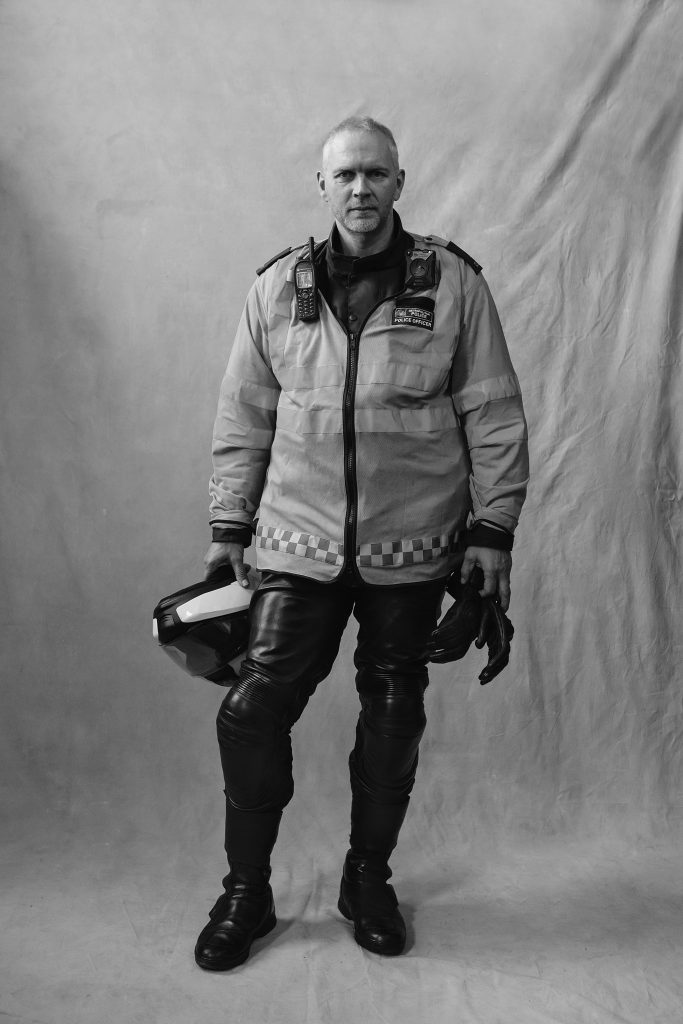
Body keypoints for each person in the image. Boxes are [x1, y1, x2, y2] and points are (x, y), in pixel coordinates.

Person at [194, 116, 529, 971]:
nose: (359, 189)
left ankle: (365, 879)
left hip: (412, 548)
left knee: (394, 714)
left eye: (375, 174)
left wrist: (493, 530)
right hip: (294, 544)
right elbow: (242, 418)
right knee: (251, 710)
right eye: (344, 175)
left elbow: (492, 413)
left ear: (399, 181)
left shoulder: (451, 284)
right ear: (321, 185)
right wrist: (229, 524)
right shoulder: (276, 288)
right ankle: (247, 891)